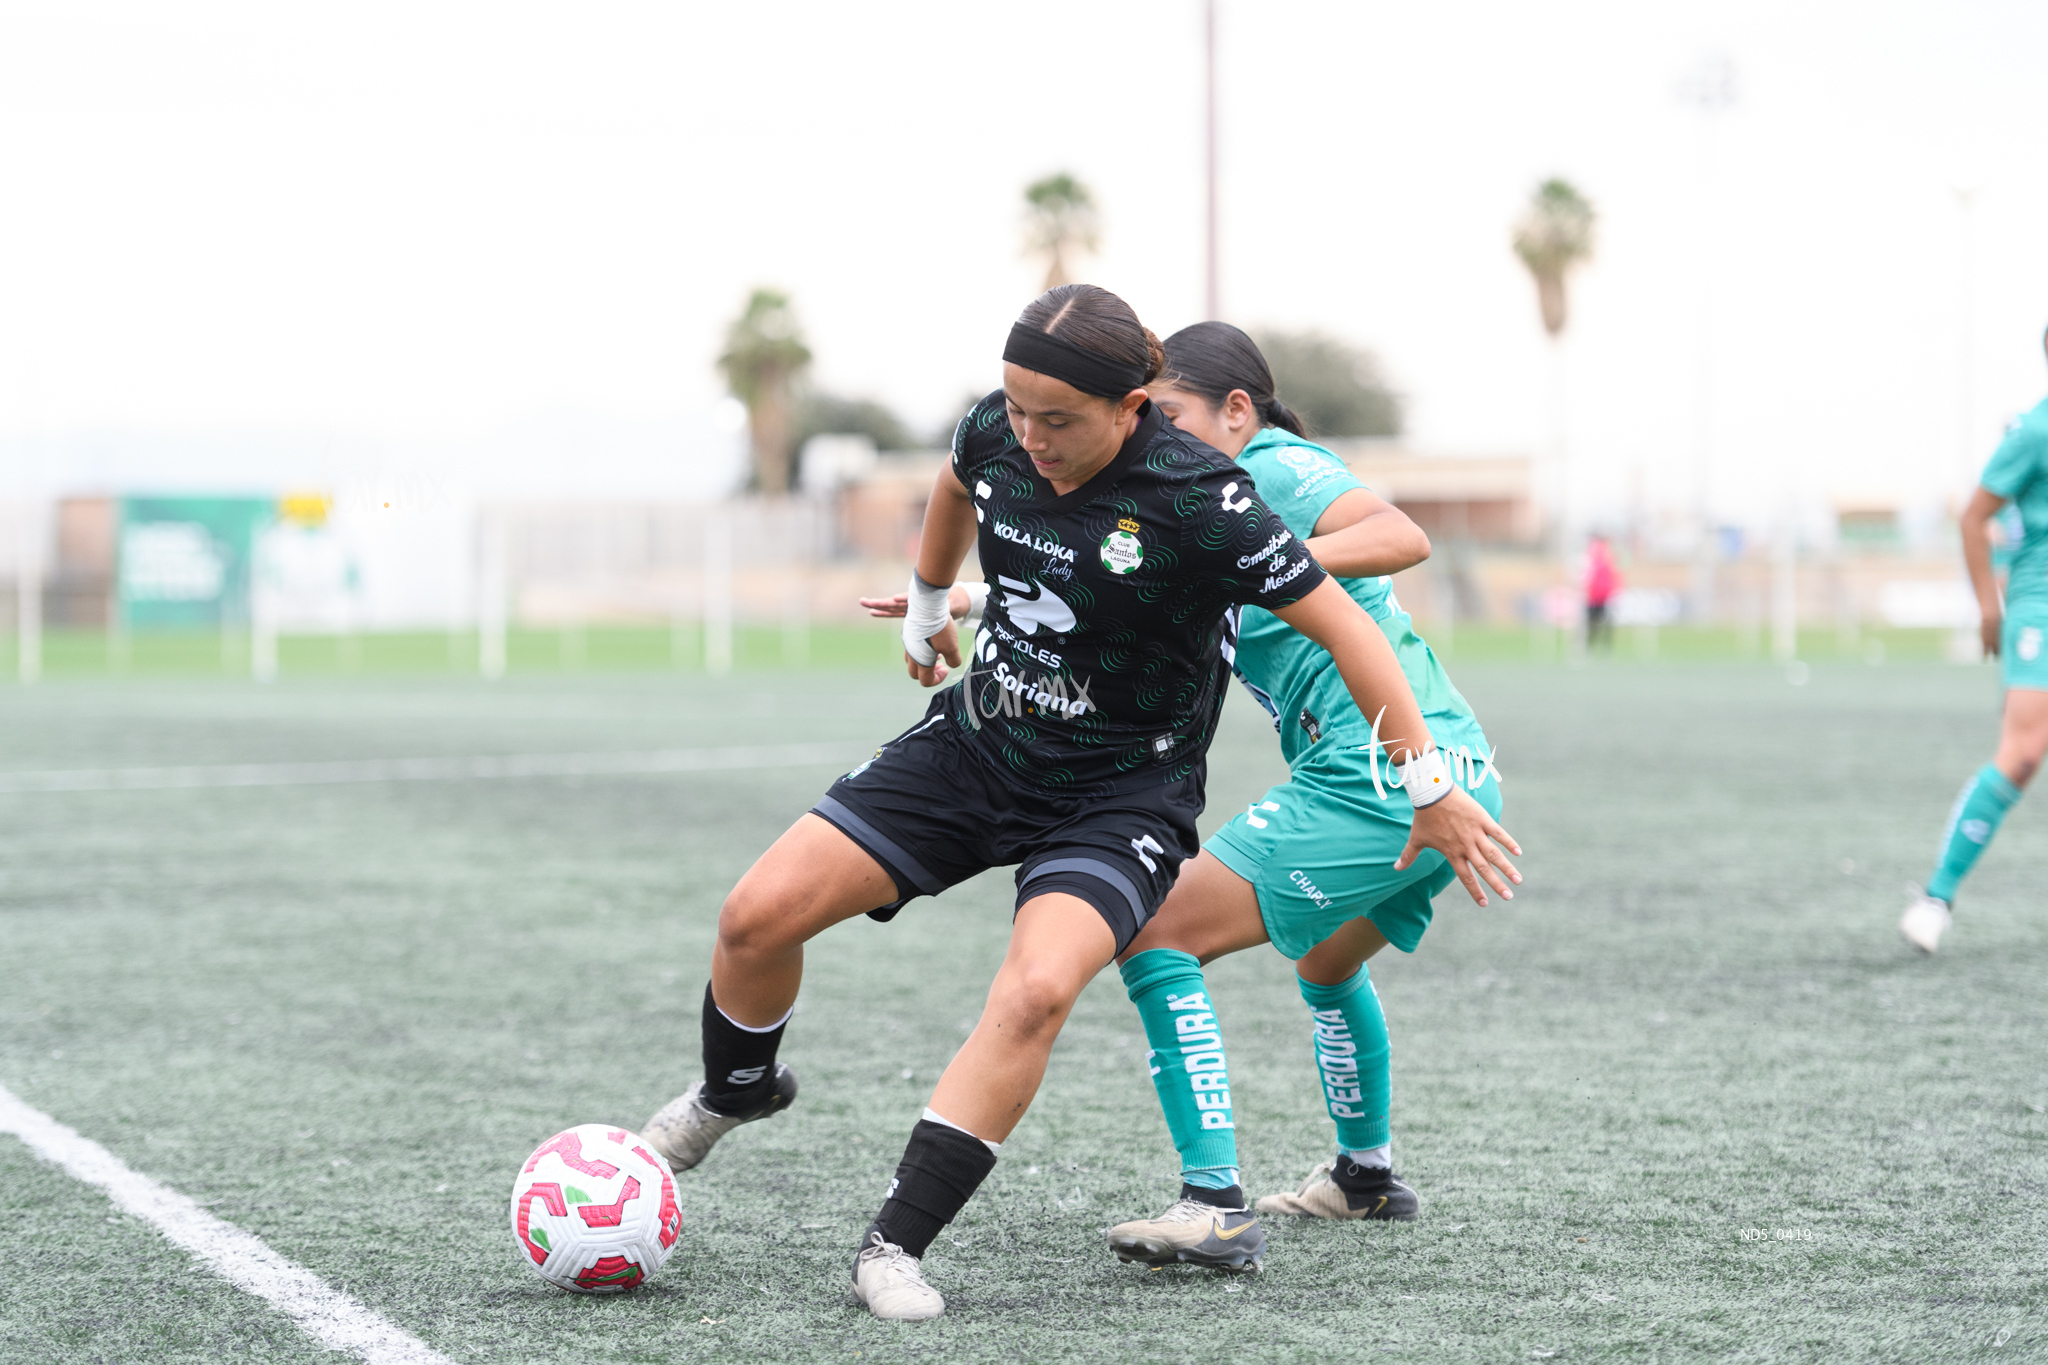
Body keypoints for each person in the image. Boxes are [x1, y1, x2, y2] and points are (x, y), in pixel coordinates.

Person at [641, 284, 1517, 1322]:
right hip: (977, 747)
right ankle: (735, 1088)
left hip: (1120, 796)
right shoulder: (997, 428)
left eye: (1056, 420)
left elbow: (1352, 629)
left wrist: (1428, 787)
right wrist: (929, 602)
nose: (1030, 436)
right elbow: (957, 480)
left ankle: (895, 1245)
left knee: (1038, 989)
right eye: (1018, 409)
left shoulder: (1207, 499)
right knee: (754, 915)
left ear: (1131, 405)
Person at [866, 321, 1521, 1275]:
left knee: (1151, 928)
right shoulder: (1173, 502)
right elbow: (1105, 578)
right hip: (1451, 769)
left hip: (1386, 775)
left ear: (1237, 412)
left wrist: (1269, 564)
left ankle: (1212, 1201)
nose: (1150, 434)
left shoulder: (1266, 470)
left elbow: (1400, 533)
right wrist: (960, 600)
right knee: (1329, 968)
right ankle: (1365, 1175)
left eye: (1168, 413)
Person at [1901, 325, 2048, 953]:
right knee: (2022, 753)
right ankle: (1936, 896)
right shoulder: (2034, 432)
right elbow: (1974, 516)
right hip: (2040, 608)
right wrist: (1989, 608)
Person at [1584, 533, 1619, 650]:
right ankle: (1591, 644)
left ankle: (1603, 645)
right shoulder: (1594, 556)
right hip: (1594, 596)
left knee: (1604, 622)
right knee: (1593, 622)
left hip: (1605, 596)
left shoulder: (1608, 556)